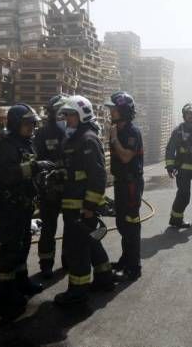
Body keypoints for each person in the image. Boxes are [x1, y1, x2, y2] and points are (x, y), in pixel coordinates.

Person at [0, 104, 53, 320]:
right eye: (28, 123)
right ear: (16, 123)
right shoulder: (7, 146)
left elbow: (29, 170)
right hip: (11, 207)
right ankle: (5, 297)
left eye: (33, 123)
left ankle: (22, 283)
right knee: (10, 249)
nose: (32, 127)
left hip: (24, 206)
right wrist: (35, 167)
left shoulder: (26, 144)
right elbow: (8, 175)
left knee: (23, 245)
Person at [55, 95, 113, 306]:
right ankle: (105, 278)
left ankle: (77, 294)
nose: (67, 119)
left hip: (82, 208)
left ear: (82, 115)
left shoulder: (88, 139)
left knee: (77, 250)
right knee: (91, 241)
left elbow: (98, 177)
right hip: (73, 205)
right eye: (66, 115)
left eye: (70, 115)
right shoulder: (72, 139)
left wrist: (89, 207)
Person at [105, 91, 144, 282]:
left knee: (131, 225)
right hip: (122, 183)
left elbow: (126, 156)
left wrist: (113, 139)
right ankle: (125, 259)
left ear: (123, 110)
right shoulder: (117, 129)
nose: (111, 112)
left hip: (131, 185)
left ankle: (134, 267)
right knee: (122, 223)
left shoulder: (131, 132)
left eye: (113, 109)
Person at [33, 95, 67, 278]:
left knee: (71, 227)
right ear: (52, 112)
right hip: (49, 189)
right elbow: (36, 161)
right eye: (60, 111)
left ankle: (68, 261)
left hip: (70, 188)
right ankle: (46, 264)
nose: (63, 115)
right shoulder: (43, 133)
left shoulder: (74, 131)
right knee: (48, 228)